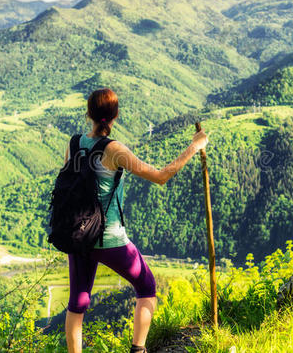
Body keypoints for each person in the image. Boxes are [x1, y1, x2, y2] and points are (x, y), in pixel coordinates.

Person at [64, 88, 209, 353]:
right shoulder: (114, 149)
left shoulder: (74, 143)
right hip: (108, 237)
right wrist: (194, 147)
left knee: (78, 303)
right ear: (116, 116)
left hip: (77, 235)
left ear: (89, 114)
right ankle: (138, 350)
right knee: (146, 287)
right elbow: (161, 176)